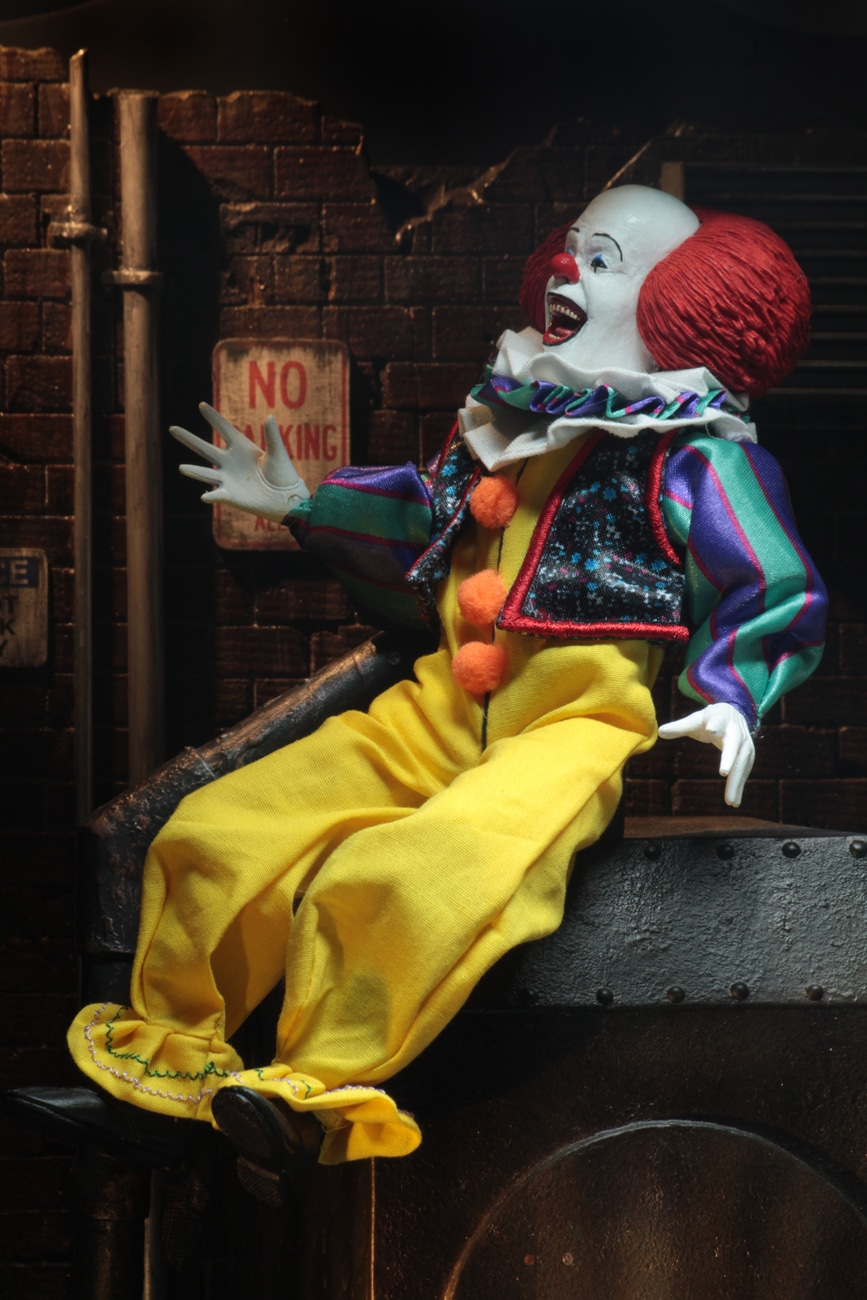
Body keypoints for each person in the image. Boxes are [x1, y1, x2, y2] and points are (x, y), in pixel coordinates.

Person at [5, 185, 826, 1205]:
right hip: (431, 714)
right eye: (571, 248)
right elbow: (418, 528)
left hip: (568, 730)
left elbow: (770, 581)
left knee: (404, 877)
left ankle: (303, 1099)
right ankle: (166, 1075)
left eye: (601, 261)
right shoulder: (502, 425)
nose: (565, 270)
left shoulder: (691, 453)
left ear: (673, 299)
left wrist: (735, 693)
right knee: (216, 832)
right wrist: (303, 503)